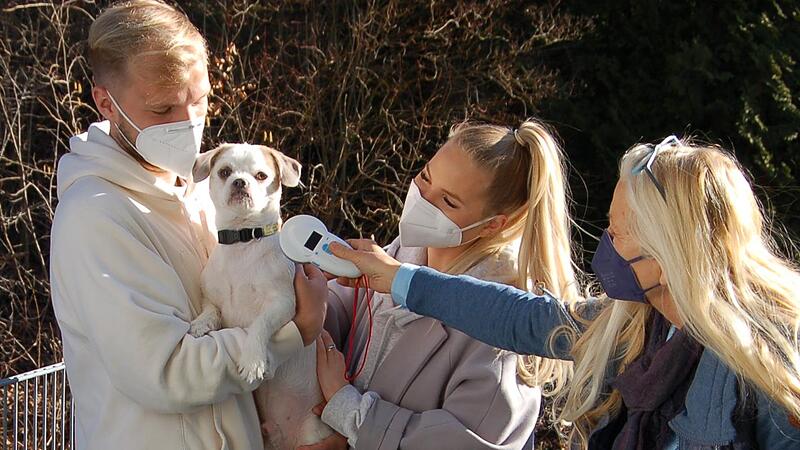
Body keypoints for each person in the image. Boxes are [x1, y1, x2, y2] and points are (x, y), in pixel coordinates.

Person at [330, 137, 800, 449]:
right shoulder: (637, 324)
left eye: (620, 233)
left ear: (669, 251)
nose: (606, 244)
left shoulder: (766, 371)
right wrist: (398, 278)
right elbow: (519, 318)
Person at [49, 2, 328, 449]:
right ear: (106, 103)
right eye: (162, 109)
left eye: (198, 101)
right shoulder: (94, 217)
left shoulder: (201, 189)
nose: (187, 124)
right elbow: (167, 371)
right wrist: (295, 331)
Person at [310, 120, 580, 449]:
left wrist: (350, 412)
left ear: (493, 225)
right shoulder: (403, 252)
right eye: (425, 177)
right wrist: (313, 299)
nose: (423, 200)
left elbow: (468, 443)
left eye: (448, 202)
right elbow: (345, 316)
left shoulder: (502, 335)